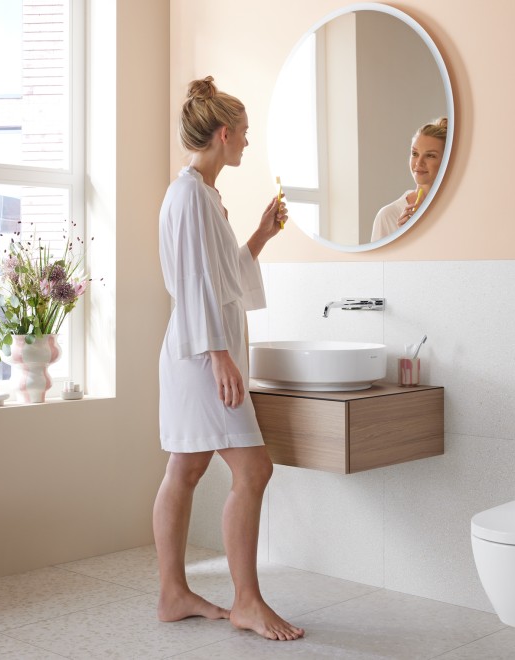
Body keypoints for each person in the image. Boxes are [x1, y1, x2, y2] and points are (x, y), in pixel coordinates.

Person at [154, 76, 303, 642]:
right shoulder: (191, 195)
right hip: (200, 355)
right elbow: (195, 284)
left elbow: (219, 276)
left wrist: (260, 235)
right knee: (254, 469)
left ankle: (173, 593)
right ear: (223, 133)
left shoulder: (203, 194)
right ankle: (246, 600)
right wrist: (219, 356)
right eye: (243, 134)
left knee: (186, 468)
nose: (247, 143)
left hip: (197, 350)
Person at [370, 117, 448, 242]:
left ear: (446, 160)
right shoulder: (388, 216)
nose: (419, 163)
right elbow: (379, 262)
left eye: (430, 156)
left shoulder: (455, 211)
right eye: (415, 154)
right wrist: (404, 239)